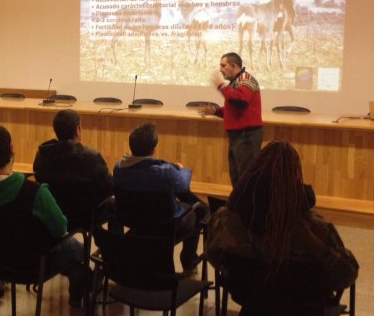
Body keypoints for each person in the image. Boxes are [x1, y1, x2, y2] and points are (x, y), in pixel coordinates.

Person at [206, 140, 358, 316]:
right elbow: (346, 273)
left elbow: (215, 258)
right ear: (294, 178)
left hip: (253, 309)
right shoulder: (316, 230)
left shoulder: (226, 221)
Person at [0, 124, 87, 308]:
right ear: (11, 149)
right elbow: (60, 229)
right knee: (78, 247)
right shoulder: (35, 192)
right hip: (36, 265)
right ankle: (78, 296)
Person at [113, 122, 207, 273]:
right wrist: (184, 170)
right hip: (167, 224)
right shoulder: (164, 172)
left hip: (134, 220)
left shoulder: (118, 168)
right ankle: (188, 261)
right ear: (153, 149)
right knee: (198, 209)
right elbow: (183, 185)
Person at [33, 109, 113, 230]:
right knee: (113, 204)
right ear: (77, 130)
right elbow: (109, 187)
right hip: (85, 216)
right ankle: (111, 244)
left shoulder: (42, 155)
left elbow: (39, 179)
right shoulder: (91, 157)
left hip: (54, 212)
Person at [200, 52, 262, 187]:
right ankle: (238, 205)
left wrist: (221, 86)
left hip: (246, 136)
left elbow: (239, 101)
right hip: (237, 135)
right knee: (236, 175)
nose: (220, 69)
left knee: (245, 177)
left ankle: (245, 206)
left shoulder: (246, 80)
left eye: (223, 66)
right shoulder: (236, 82)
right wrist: (216, 111)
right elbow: (234, 109)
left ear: (234, 65)